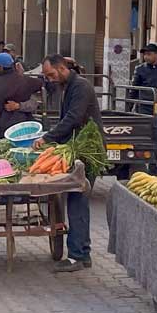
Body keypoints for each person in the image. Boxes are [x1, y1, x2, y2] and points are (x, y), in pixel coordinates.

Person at [41, 55, 99, 272]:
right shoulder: (69, 86)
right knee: (77, 201)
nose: (50, 79)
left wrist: (49, 137)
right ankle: (82, 253)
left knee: (77, 201)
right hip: (77, 147)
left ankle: (78, 256)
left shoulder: (80, 87)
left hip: (87, 151)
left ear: (63, 68)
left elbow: (73, 117)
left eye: (51, 75)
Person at [0, 52, 44, 140]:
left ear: (0, 67)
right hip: (23, 126)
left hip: (0, 129)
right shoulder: (26, 81)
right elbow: (43, 84)